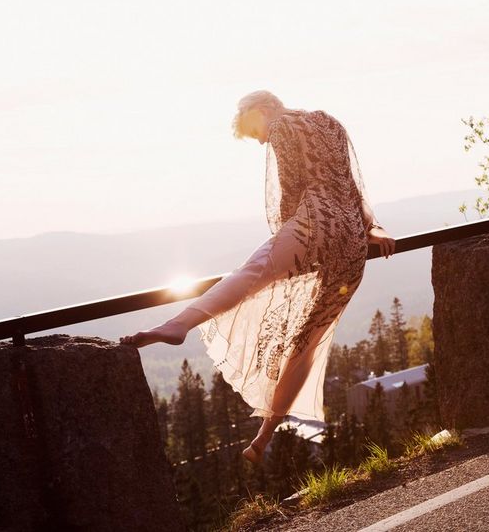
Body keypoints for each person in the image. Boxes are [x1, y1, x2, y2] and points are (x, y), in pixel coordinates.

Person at [120, 90, 395, 463]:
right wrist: (372, 229)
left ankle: (178, 325)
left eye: (255, 131)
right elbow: (352, 187)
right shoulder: (329, 121)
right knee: (307, 343)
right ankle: (263, 436)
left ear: (264, 109)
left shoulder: (282, 125)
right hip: (351, 244)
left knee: (252, 273)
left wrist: (287, 246)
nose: (261, 140)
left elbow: (289, 194)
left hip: (315, 226)